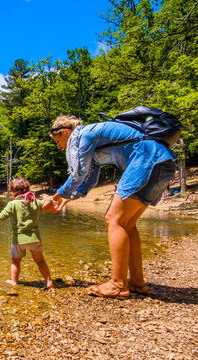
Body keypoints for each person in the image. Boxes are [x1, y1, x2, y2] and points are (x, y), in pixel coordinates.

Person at [45, 115, 177, 298]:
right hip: (162, 163)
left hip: (146, 160)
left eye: (58, 141)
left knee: (114, 219)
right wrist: (69, 197)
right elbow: (90, 177)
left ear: (66, 132)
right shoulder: (89, 139)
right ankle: (137, 283)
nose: (59, 147)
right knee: (127, 223)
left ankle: (118, 284)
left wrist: (57, 195)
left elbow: (79, 174)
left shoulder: (85, 136)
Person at [0, 176, 55, 290]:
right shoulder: (35, 202)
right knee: (40, 260)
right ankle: (49, 282)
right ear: (28, 189)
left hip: (18, 240)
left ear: (12, 192)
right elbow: (49, 205)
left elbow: (2, 217)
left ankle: (14, 283)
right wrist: (48, 197)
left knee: (15, 261)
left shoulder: (12, 204)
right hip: (35, 239)